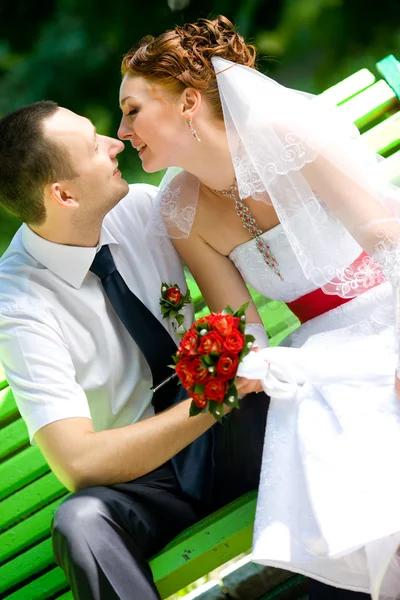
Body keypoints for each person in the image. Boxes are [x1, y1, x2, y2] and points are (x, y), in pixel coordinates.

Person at [118, 15, 400, 599]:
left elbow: (386, 236)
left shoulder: (284, 130)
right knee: (313, 405)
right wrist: (236, 366)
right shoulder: (178, 208)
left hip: (389, 305)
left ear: (189, 101)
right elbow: (239, 326)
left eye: (132, 110)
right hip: (321, 346)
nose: (123, 130)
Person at [0, 101, 270, 600]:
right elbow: (78, 464)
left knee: (294, 389)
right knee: (80, 523)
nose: (115, 144)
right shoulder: (17, 305)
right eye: (93, 145)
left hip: (230, 440)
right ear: (63, 194)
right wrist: (212, 400)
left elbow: (243, 322)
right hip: (145, 482)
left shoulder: (146, 208)